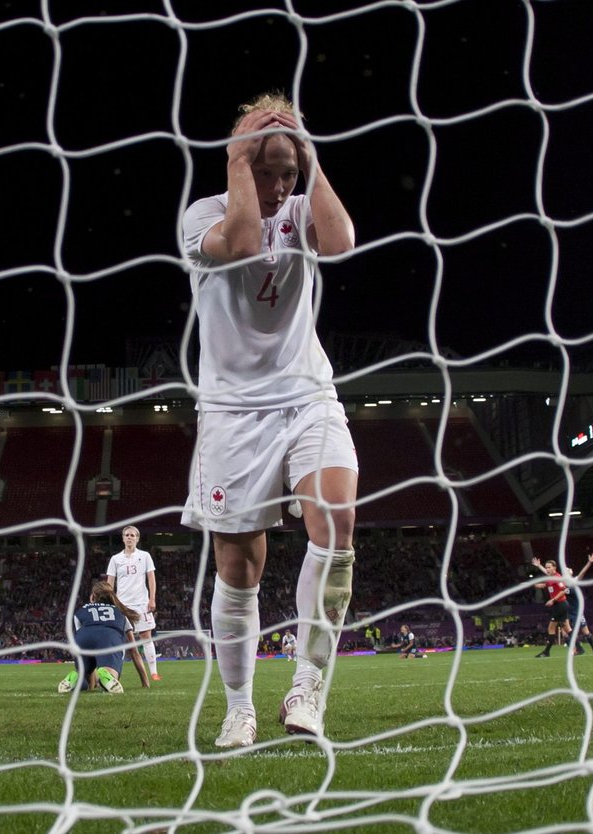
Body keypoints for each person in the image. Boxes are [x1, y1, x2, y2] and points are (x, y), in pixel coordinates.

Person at [179, 91, 358, 748]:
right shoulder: (204, 215)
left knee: (337, 525)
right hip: (232, 411)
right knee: (239, 570)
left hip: (307, 392)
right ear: (240, 160)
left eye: (287, 172)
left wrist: (309, 159)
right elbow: (247, 240)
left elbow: (341, 241)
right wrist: (240, 155)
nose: (280, 185)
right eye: (269, 170)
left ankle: (307, 687)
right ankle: (238, 707)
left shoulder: (303, 204)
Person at [58, 581, 147, 694]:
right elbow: (134, 651)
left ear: (93, 596)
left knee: (89, 683)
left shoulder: (81, 611)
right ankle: (106, 676)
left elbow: (79, 637)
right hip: (109, 639)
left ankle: (77, 678)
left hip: (83, 639)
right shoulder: (120, 613)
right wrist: (145, 683)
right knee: (109, 678)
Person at [105, 526, 159, 681]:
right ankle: (115, 673)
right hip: (123, 604)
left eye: (132, 535)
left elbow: (151, 578)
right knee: (120, 639)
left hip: (141, 602)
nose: (129, 537)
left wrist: (152, 598)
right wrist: (111, 602)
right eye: (127, 535)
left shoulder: (145, 556)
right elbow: (110, 583)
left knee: (146, 636)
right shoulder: (115, 559)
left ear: (137, 538)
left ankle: (154, 673)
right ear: (123, 538)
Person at [530, 557, 571, 657]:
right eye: (546, 567)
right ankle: (578, 647)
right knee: (567, 629)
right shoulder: (551, 578)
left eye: (549, 567)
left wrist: (553, 600)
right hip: (559, 605)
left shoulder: (557, 578)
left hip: (560, 605)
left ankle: (547, 652)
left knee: (551, 628)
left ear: (554, 568)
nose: (547, 569)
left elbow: (563, 590)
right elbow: (544, 585)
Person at [564, 553, 593, 654]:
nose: (566, 570)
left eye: (568, 569)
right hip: (567, 612)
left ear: (571, 573)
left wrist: (589, 562)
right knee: (565, 633)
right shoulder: (560, 583)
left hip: (577, 611)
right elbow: (550, 573)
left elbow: (582, 573)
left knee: (585, 631)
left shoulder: (574, 581)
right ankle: (574, 650)